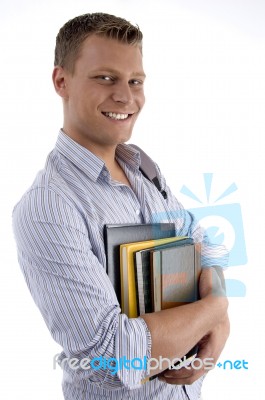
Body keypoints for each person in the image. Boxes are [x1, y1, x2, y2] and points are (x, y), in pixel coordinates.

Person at [12, 12, 229, 400]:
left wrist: (218, 319)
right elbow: (114, 357)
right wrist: (214, 311)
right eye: (105, 78)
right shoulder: (49, 207)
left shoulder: (142, 169)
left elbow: (203, 242)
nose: (126, 96)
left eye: (135, 81)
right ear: (61, 81)